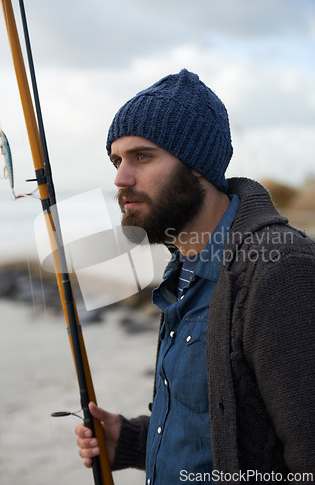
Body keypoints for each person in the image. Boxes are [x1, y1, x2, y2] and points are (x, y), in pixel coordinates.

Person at [75, 69, 315, 484]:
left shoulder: (277, 269)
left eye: (142, 156)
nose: (120, 178)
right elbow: (224, 425)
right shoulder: (184, 268)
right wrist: (131, 442)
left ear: (197, 166)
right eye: (117, 160)